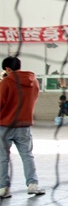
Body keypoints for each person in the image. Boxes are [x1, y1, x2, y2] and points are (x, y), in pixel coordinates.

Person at [0, 56, 44, 198]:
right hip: (24, 125)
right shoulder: (34, 81)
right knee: (27, 155)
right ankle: (33, 184)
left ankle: (3, 188)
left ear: (8, 69)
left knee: (3, 157)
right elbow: (34, 99)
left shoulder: (6, 82)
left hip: (4, 125)